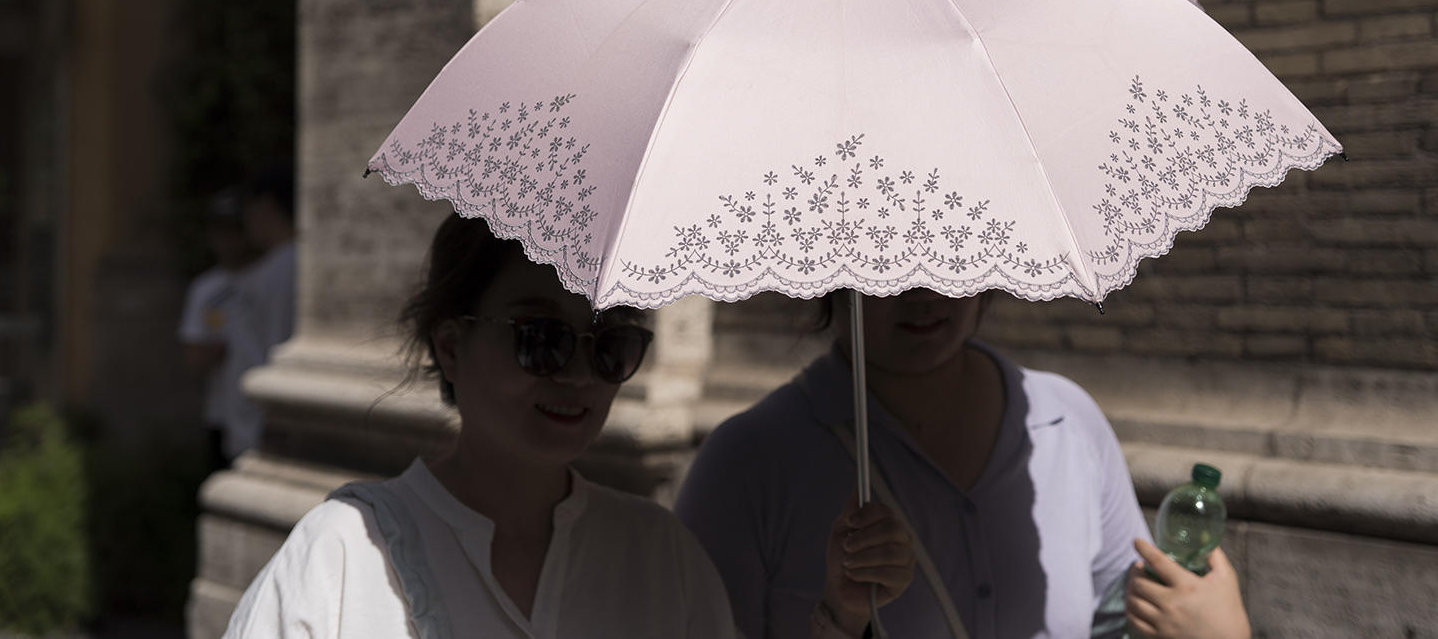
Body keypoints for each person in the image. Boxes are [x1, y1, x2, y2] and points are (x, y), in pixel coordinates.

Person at [224, 214, 914, 638]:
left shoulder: (660, 556)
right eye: (540, 337)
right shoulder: (341, 557)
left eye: (611, 341)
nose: (581, 375)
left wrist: (842, 614)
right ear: (452, 345)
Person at [676, 288, 1250, 639]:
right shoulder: (748, 462)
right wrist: (842, 621)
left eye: (952, 250)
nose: (924, 290)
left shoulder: (1067, 421)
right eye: (889, 256)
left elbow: (1119, 622)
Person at [215, 161, 298, 460]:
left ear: (266, 206)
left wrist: (273, 425)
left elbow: (278, 348)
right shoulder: (274, 266)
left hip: (261, 434)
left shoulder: (287, 267)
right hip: (250, 427)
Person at [177, 188, 257, 471]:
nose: (227, 239)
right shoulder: (204, 289)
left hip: (264, 413)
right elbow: (191, 359)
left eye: (235, 228)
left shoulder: (270, 276)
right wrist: (214, 352)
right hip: (221, 414)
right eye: (219, 229)